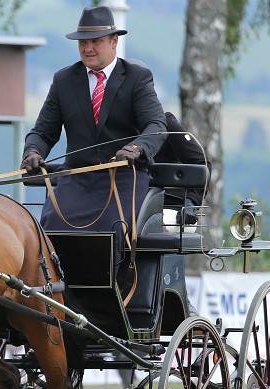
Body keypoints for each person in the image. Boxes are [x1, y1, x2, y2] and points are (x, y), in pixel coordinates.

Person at [21, 5, 168, 275]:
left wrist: (136, 148)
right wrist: (33, 150)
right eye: (83, 43)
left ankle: (108, 298)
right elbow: (43, 131)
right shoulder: (64, 80)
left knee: (110, 233)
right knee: (50, 228)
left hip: (125, 178)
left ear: (114, 42)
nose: (88, 48)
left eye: (95, 42)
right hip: (77, 178)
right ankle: (57, 298)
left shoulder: (136, 77)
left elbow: (157, 125)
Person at [151, 111, 212, 232]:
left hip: (170, 206)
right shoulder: (114, 130)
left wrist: (190, 203)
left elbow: (201, 163)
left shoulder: (166, 124)